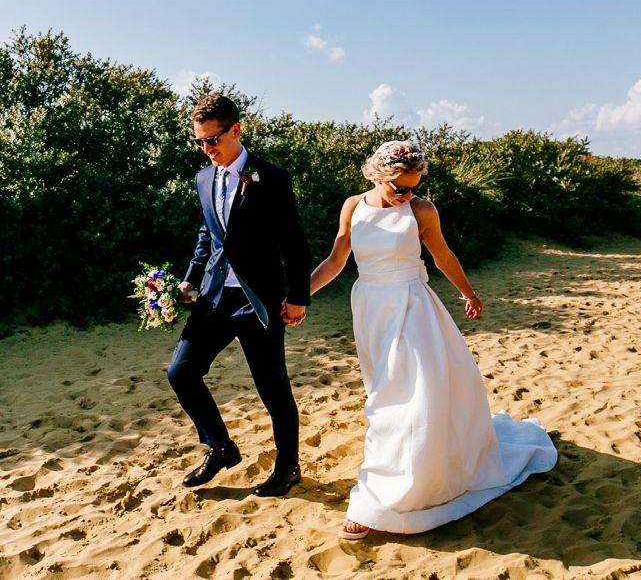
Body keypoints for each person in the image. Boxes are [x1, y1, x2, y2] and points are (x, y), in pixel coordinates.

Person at [310, 140, 558, 539]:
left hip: (412, 306)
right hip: (371, 307)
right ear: (379, 176)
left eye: (415, 186)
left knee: (411, 398)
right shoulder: (353, 206)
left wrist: (468, 293)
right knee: (384, 394)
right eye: (401, 187)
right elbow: (337, 260)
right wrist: (300, 296)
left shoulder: (422, 210)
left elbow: (442, 256)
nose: (409, 194)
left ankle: (377, 500)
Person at [168, 93, 310, 496]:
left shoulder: (272, 177)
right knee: (181, 372)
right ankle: (220, 447)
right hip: (214, 298)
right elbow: (206, 236)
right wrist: (190, 280)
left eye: (213, 139)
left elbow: (294, 242)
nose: (207, 148)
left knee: (272, 388)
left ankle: (288, 467)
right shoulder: (202, 178)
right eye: (199, 141)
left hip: (258, 300)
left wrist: (298, 295)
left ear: (236, 130)